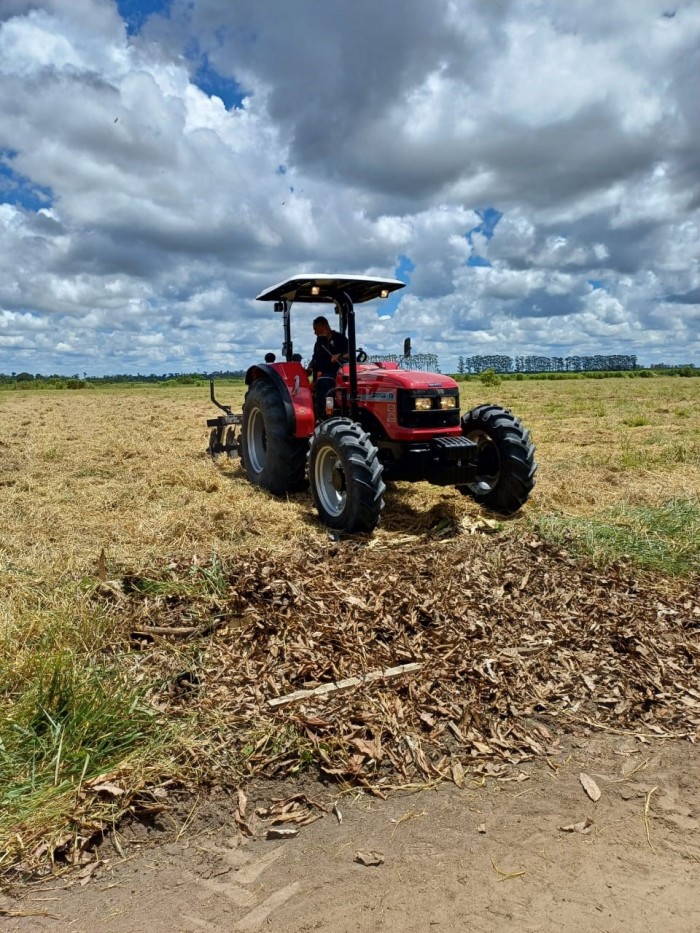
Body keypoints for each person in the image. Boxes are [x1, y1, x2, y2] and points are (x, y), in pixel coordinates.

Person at [307, 316, 349, 419]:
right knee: (321, 382)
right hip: (324, 374)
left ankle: (329, 411)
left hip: (339, 371)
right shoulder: (319, 343)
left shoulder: (340, 338)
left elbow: (350, 353)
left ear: (324, 326)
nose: (315, 332)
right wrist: (310, 368)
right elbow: (315, 358)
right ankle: (323, 413)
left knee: (326, 382)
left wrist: (339, 356)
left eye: (316, 329)